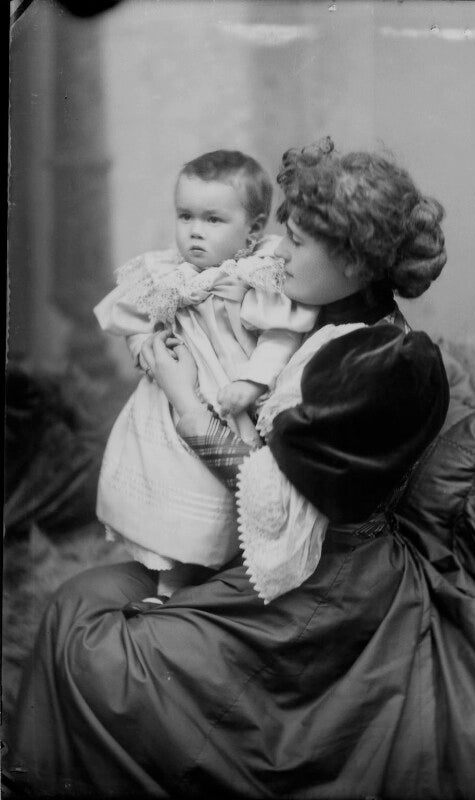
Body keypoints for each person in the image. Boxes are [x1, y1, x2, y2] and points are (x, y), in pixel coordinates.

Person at [7, 138, 475, 800]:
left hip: (333, 592)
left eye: (299, 242)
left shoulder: (384, 364)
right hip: (281, 559)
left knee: (103, 654)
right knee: (74, 604)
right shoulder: (315, 319)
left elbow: (266, 492)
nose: (278, 252)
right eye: (282, 233)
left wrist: (182, 398)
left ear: (355, 258)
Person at [93, 150, 319, 595]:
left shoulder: (262, 273)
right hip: (169, 399)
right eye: (185, 216)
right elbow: (133, 323)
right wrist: (148, 351)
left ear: (253, 230)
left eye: (214, 220)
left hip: (231, 400)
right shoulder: (164, 273)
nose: (195, 231)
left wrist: (252, 381)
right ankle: (169, 581)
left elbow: (283, 336)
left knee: (229, 493)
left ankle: (228, 573)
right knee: (168, 483)